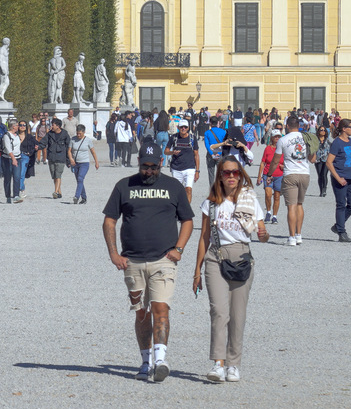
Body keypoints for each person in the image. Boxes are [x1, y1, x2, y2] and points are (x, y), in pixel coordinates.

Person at [102, 141, 195, 382]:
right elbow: (109, 220)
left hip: (163, 259)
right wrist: (113, 253)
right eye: (145, 166)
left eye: (154, 167)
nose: (149, 171)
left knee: (160, 307)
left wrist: (179, 249)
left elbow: (187, 220)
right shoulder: (124, 186)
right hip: (132, 260)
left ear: (161, 164)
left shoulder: (173, 187)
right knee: (141, 313)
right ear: (139, 162)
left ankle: (161, 359)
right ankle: (145, 361)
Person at [191, 157, 270, 383]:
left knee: (237, 315)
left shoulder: (250, 201)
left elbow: (262, 233)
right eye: (227, 173)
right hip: (216, 258)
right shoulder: (211, 203)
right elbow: (204, 237)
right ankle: (218, 363)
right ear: (220, 176)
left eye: (235, 173)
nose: (232, 177)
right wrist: (197, 270)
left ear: (241, 174)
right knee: (219, 311)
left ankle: (233, 364)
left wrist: (264, 236)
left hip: (242, 258)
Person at [273, 117, 315, 246]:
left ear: (287, 126)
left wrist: (270, 173)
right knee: (299, 204)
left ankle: (291, 238)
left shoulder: (283, 140)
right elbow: (312, 159)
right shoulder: (307, 138)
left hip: (290, 173)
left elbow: (276, 160)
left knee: (291, 206)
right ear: (299, 125)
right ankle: (298, 235)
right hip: (304, 174)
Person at [326, 118, 351, 243]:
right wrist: (338, 178)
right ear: (344, 129)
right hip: (340, 177)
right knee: (341, 204)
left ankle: (337, 225)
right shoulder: (337, 143)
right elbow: (329, 163)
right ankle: (341, 232)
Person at [165, 120, 201, 204]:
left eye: (185, 127)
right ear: (178, 128)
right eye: (181, 127)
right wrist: (172, 152)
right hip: (176, 168)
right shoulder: (174, 138)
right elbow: (166, 151)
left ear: (188, 128)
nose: (183, 129)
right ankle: (177, 207)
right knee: (176, 190)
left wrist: (197, 171)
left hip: (189, 168)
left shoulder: (192, 138)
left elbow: (196, 155)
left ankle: (187, 210)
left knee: (188, 189)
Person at [257, 127, 284, 225]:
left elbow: (288, 162)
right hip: (267, 174)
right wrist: (259, 176)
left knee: (277, 196)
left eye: (279, 137)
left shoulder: (283, 149)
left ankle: (275, 216)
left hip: (279, 175)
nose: (277, 138)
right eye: (275, 137)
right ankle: (268, 212)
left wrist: (283, 166)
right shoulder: (267, 149)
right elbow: (262, 163)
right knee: (268, 194)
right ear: (272, 138)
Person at [69, 123, 100, 204]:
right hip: (75, 163)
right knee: (79, 181)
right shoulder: (73, 139)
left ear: (84, 132)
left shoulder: (88, 140)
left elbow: (93, 152)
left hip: (84, 163)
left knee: (80, 178)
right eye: (77, 133)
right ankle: (84, 198)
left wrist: (96, 162)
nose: (78, 135)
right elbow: (69, 150)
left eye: (80, 133)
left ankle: (76, 196)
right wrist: (71, 159)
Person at [45, 118, 72, 199]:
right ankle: (59, 192)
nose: (51, 126)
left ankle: (55, 192)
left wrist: (69, 159)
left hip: (61, 157)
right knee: (54, 176)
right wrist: (37, 146)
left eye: (53, 125)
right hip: (51, 157)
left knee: (58, 175)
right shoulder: (50, 134)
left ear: (58, 126)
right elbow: (44, 141)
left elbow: (68, 147)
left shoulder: (65, 134)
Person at [1, 119, 22, 204]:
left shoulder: (16, 135)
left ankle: (16, 195)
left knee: (17, 177)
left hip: (18, 157)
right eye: (17, 125)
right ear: (13, 126)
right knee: (8, 177)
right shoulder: (7, 135)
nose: (19, 127)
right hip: (8, 159)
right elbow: (8, 148)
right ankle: (8, 196)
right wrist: (13, 159)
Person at [17, 121, 36, 200]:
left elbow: (36, 145)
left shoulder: (29, 137)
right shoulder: (15, 136)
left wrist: (30, 153)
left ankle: (19, 190)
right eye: (20, 125)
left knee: (21, 174)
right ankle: (22, 189)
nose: (22, 126)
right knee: (16, 174)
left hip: (25, 156)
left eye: (24, 125)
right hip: (16, 156)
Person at [313, 125, 331, 197]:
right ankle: (321, 190)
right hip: (318, 159)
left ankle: (324, 189)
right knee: (320, 175)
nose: (323, 131)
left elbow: (331, 149)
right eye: (321, 130)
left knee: (324, 174)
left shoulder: (328, 140)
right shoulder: (316, 140)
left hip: (326, 159)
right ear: (318, 131)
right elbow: (313, 149)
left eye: (324, 130)